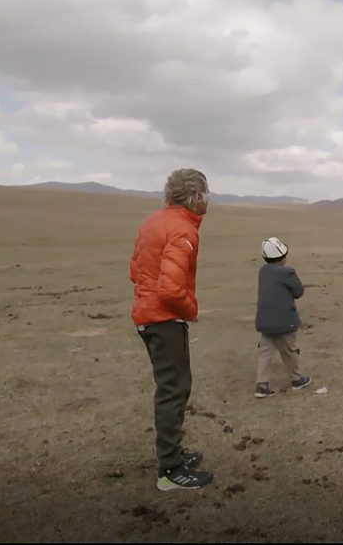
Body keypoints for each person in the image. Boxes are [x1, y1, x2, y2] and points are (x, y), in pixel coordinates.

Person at [130, 168, 214, 491]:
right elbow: (170, 288)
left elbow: (135, 269)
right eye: (205, 194)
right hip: (164, 319)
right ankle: (170, 470)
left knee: (173, 387)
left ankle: (173, 453)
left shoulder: (153, 222)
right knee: (174, 390)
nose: (208, 200)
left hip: (147, 316)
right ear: (194, 198)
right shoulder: (183, 231)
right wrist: (190, 309)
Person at [254, 236, 311, 398]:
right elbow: (299, 292)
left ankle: (262, 384)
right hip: (284, 321)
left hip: (265, 321)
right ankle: (297, 379)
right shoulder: (288, 272)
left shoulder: (263, 271)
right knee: (289, 351)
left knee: (265, 352)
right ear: (283, 256)